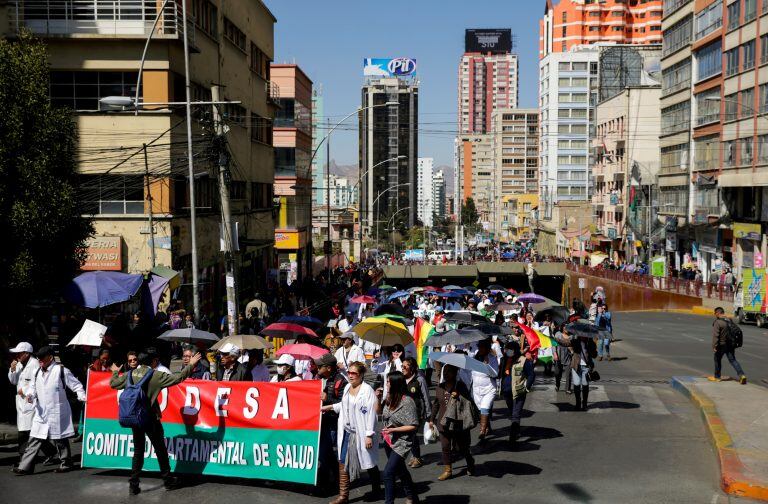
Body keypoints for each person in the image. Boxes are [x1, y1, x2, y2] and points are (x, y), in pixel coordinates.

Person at [109, 351, 202, 495]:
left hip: (134, 418)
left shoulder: (129, 374)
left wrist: (115, 372)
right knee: (160, 450)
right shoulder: (155, 375)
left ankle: (134, 484)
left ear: (139, 361)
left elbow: (113, 384)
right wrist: (191, 365)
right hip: (150, 418)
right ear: (153, 362)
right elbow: (178, 378)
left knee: (138, 451)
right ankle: (168, 480)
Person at [14, 346, 87, 475]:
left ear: (50, 357)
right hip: (41, 412)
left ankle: (66, 463)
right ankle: (25, 467)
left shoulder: (61, 370)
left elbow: (76, 385)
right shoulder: (38, 372)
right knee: (34, 438)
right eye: (38, 358)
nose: (39, 360)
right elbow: (32, 387)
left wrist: (81, 396)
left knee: (60, 438)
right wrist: (30, 395)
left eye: (42, 358)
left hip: (57, 409)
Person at [322, 361, 381, 504]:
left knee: (369, 463)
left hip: (361, 433)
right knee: (342, 462)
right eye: (349, 372)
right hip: (347, 432)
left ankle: (376, 488)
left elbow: (372, 415)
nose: (350, 375)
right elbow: (343, 404)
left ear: (361, 375)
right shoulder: (348, 387)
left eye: (354, 373)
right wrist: (329, 407)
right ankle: (344, 496)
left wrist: (369, 435)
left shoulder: (367, 391)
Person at [7, 342, 51, 468]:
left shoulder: (35, 365)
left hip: (31, 402)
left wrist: (25, 391)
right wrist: (12, 369)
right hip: (21, 404)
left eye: (19, 353)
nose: (17, 355)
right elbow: (13, 381)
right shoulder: (19, 364)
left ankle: (23, 458)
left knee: (26, 433)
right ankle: (51, 451)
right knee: (30, 431)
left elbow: (38, 383)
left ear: (27, 354)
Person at [379, 371, 420, 504]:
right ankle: (413, 497)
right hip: (389, 440)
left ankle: (389, 502)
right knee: (401, 470)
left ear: (395, 383)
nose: (386, 384)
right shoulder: (389, 397)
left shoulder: (407, 401)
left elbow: (414, 425)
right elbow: (380, 413)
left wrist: (394, 429)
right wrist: (376, 398)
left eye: (388, 381)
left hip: (402, 442)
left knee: (388, 473)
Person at [429, 364, 475, 481]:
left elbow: (468, 402)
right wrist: (431, 419)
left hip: (458, 422)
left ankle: (470, 462)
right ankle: (448, 470)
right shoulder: (440, 387)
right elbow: (436, 404)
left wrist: (459, 395)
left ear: (455, 373)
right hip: (443, 422)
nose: (446, 373)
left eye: (449, 371)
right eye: (445, 371)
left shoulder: (460, 386)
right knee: (445, 446)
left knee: (463, 447)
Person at [317, 353, 348, 494]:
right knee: (327, 453)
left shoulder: (341, 381)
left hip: (335, 423)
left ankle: (334, 483)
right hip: (326, 421)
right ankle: (335, 479)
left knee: (326, 453)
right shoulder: (327, 379)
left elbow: (344, 404)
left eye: (320, 366)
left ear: (328, 368)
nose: (317, 368)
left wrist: (327, 399)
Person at [501, 340, 534, 445]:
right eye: (507, 350)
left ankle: (512, 436)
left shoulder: (523, 361)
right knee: (512, 412)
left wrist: (526, 387)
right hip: (507, 392)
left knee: (516, 414)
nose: (508, 352)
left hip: (519, 391)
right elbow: (499, 374)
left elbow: (531, 375)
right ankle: (516, 429)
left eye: (510, 350)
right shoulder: (504, 360)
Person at [402, 357, 430, 468]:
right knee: (408, 435)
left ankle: (417, 457)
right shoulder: (402, 379)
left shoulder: (419, 380)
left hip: (416, 412)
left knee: (412, 435)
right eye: (402, 366)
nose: (403, 368)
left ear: (412, 367)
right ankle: (414, 455)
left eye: (405, 366)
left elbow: (426, 397)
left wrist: (428, 414)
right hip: (404, 412)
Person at [471, 339, 499, 442]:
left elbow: (495, 374)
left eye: (483, 347)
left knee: (485, 408)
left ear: (487, 349)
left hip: (489, 389)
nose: (480, 349)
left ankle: (482, 431)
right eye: (479, 347)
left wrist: (487, 366)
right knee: (480, 410)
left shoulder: (492, 359)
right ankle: (487, 426)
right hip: (477, 389)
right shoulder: (474, 358)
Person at [711, 307, 747, 384]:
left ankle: (717, 377)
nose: (715, 315)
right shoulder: (729, 319)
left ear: (717, 313)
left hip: (722, 345)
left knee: (717, 359)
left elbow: (715, 336)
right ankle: (742, 375)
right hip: (731, 344)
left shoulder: (718, 322)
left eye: (715, 313)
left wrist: (714, 346)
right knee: (733, 360)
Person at [553, 325, 573, 394]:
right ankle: (557, 385)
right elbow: (554, 344)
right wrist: (555, 353)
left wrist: (571, 350)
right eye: (565, 327)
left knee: (568, 373)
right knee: (557, 372)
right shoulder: (558, 334)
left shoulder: (572, 336)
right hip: (558, 355)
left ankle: (568, 388)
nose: (567, 329)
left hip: (568, 356)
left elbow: (573, 346)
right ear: (562, 328)